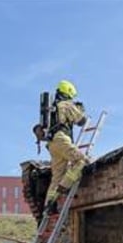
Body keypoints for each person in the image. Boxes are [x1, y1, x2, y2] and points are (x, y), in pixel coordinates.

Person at [43, 79, 89, 215]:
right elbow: (81, 121)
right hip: (62, 139)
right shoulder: (66, 104)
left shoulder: (53, 107)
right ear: (69, 92)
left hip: (52, 144)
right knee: (82, 161)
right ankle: (64, 187)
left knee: (57, 176)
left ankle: (48, 205)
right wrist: (80, 108)